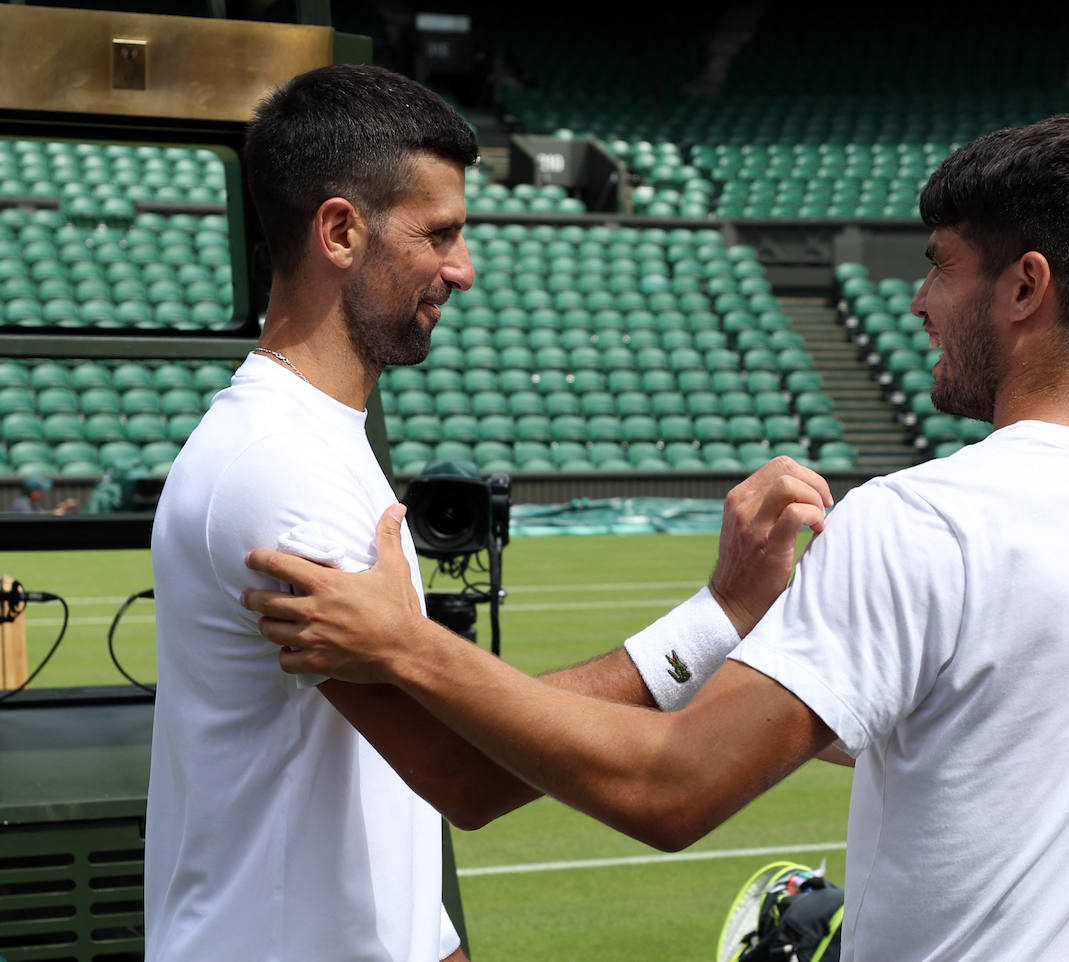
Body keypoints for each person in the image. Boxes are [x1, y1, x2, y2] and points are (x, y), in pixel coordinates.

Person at [243, 114, 1069, 961]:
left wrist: (408, 645)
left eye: (941, 266)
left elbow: (669, 788)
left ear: (1025, 287)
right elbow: (981, 729)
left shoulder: (924, 519)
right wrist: (741, 624)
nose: (918, 299)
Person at [147, 63, 832, 962]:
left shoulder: (315, 439)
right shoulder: (278, 470)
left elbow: (398, 801)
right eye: (440, 234)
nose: (461, 270)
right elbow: (464, 771)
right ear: (341, 231)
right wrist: (716, 622)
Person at [7, 474, 78, 514]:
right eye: (40, 490)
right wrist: (54, 513)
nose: (42, 493)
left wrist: (63, 506)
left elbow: (42, 513)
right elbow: (33, 518)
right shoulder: (21, 503)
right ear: (33, 492)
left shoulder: (33, 504)